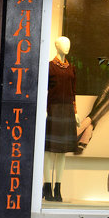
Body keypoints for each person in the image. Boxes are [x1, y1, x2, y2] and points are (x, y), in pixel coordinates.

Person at [42, 36, 78, 202]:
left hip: (68, 112)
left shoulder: (71, 68)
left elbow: (73, 91)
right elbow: (45, 91)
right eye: (63, 43)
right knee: (50, 151)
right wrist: (45, 110)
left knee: (62, 152)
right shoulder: (49, 67)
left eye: (69, 43)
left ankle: (58, 187)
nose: (67, 46)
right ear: (56, 46)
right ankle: (48, 187)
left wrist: (75, 112)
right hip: (53, 110)